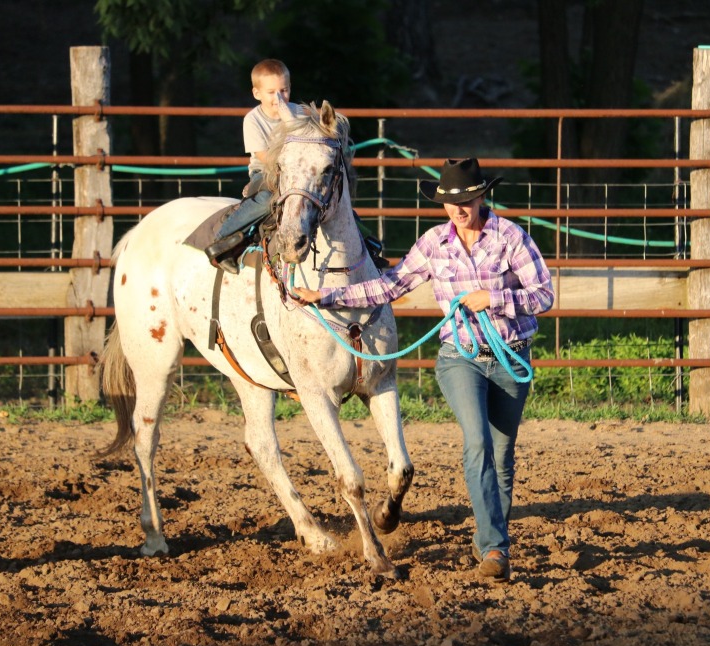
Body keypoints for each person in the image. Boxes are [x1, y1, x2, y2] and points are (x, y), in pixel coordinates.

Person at [292, 158, 554, 582]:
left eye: (467, 200)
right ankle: (494, 549)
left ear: (482, 196)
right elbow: (390, 284)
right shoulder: (434, 243)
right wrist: (325, 295)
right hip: (460, 358)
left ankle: (491, 533)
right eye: (451, 202)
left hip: (510, 355)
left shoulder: (510, 237)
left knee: (502, 456)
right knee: (478, 443)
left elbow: (543, 295)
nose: (459, 209)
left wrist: (494, 299)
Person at [205, 58, 302, 273]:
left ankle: (362, 241)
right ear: (257, 94)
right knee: (268, 199)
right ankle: (222, 238)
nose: (279, 98)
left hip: (299, 172)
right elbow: (264, 156)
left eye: (284, 90)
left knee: (326, 194)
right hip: (267, 171)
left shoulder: (300, 114)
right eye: (271, 92)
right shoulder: (253, 120)